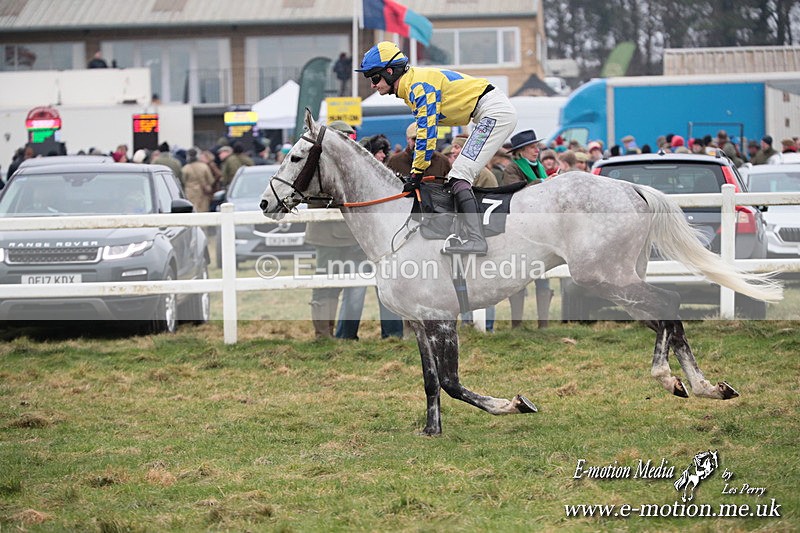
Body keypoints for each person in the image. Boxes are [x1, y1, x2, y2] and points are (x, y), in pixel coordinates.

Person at [356, 41, 517, 255]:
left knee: (459, 175)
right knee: (458, 176)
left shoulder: (417, 86)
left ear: (390, 71)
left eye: (374, 78)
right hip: (486, 111)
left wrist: (416, 172)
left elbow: (426, 132)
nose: (372, 85)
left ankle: (476, 239)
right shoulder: (412, 84)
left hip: (493, 112)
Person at [501, 129, 553, 328]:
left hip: (542, 228)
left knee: (543, 277)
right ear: (521, 151)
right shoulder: (511, 169)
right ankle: (516, 323)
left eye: (537, 146)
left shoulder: (539, 166)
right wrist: (542, 183)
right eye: (532, 147)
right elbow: (514, 192)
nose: (536, 150)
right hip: (520, 229)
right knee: (519, 278)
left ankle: (544, 323)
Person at [387, 122, 451, 178]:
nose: (420, 144)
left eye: (424, 140)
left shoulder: (443, 162)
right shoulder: (395, 161)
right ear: (407, 139)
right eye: (415, 139)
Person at [181, 148, 215, 214]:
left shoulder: (185, 168)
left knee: (192, 212)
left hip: (190, 194)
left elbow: (183, 181)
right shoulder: (204, 167)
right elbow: (211, 180)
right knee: (203, 212)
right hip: (203, 194)